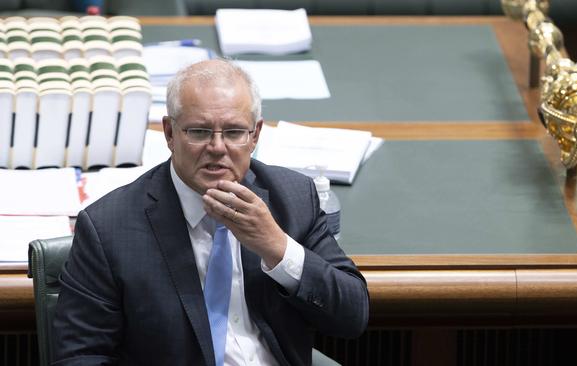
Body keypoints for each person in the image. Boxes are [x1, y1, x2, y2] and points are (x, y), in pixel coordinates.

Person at [53, 58, 369, 366]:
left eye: (233, 132)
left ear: (255, 135)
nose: (217, 147)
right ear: (170, 133)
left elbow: (352, 316)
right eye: (200, 132)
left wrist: (278, 248)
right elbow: (81, 356)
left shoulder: (293, 198)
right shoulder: (108, 228)